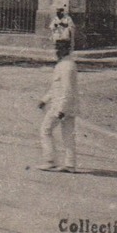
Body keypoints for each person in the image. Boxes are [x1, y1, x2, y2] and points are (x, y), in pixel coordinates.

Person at [37, 38, 80, 172]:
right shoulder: (65, 64)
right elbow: (56, 87)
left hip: (61, 106)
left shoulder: (66, 66)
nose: (57, 51)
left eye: (60, 48)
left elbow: (67, 89)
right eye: (56, 48)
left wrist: (61, 109)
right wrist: (45, 99)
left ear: (66, 49)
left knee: (45, 130)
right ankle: (70, 164)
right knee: (68, 135)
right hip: (68, 105)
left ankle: (50, 160)